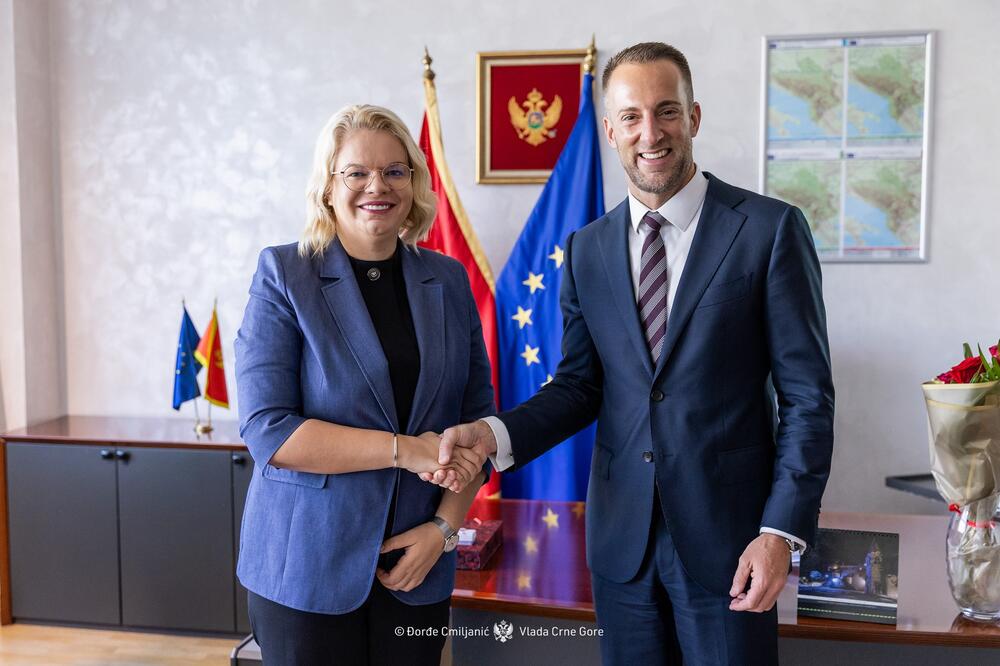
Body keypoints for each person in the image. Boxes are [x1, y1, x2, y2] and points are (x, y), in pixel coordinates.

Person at [431, 42, 835, 665]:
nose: (652, 132)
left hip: (733, 545)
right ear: (611, 130)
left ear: (693, 117)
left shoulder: (769, 230)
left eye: (667, 111)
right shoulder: (587, 248)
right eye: (632, 116)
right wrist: (491, 436)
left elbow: (808, 399)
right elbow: (578, 388)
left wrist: (780, 532)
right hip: (622, 548)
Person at [234, 104, 494, 665]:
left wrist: (444, 531)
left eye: (395, 171)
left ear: (414, 183)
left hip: (417, 563)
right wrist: (406, 452)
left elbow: (478, 429)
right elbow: (268, 433)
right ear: (328, 186)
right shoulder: (285, 274)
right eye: (356, 172)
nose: (377, 186)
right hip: (306, 568)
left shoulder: (447, 279)